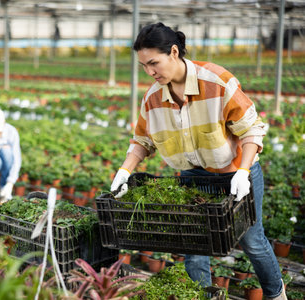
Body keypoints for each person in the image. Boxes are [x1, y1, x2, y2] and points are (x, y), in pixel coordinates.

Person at [110, 23, 286, 300]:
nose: (150, 72)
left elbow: (251, 129)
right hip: (194, 177)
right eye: (144, 66)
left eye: (154, 63)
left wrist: (242, 171)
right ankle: (203, 296)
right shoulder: (152, 98)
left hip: (236, 174)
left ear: (174, 52)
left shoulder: (217, 82)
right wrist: (124, 170)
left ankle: (276, 294)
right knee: (195, 245)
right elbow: (142, 141)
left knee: (252, 242)